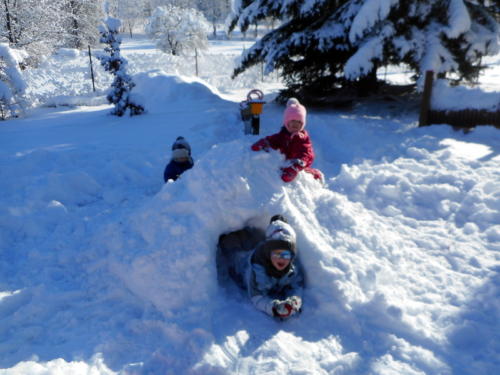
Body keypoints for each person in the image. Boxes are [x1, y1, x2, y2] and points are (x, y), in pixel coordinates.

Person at [217, 215, 304, 320]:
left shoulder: (291, 270)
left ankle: (255, 235)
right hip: (242, 268)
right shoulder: (256, 272)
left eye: (285, 255)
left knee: (250, 243)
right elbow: (257, 298)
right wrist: (274, 308)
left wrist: (294, 300)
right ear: (269, 254)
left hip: (258, 252)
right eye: (276, 254)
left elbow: (297, 286)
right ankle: (232, 236)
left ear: (291, 257)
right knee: (234, 253)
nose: (281, 259)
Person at [251, 98, 323, 183]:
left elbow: (306, 154)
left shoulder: (302, 138)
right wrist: (265, 142)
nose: (296, 124)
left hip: (297, 166)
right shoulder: (283, 134)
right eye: (292, 121)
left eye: (299, 122)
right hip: (285, 163)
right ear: (286, 122)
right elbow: (274, 140)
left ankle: (317, 174)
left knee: (307, 175)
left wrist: (297, 165)